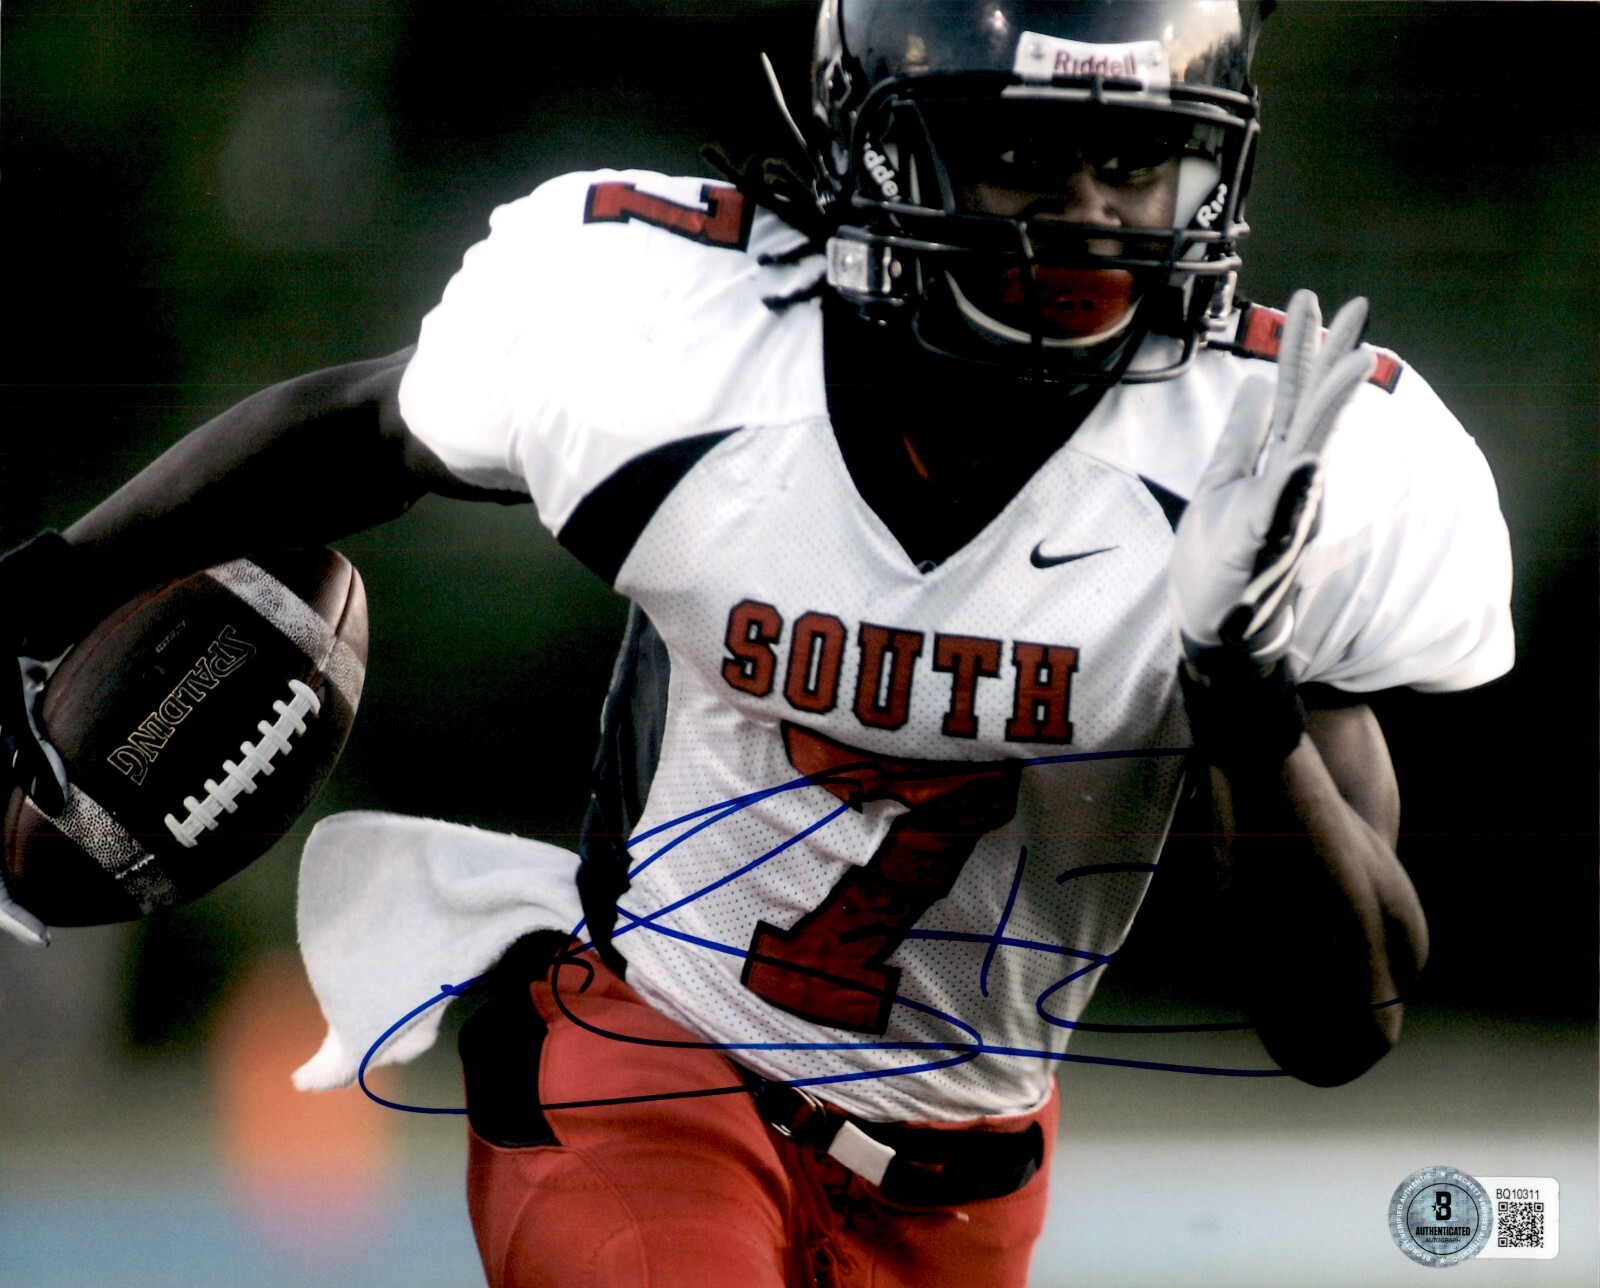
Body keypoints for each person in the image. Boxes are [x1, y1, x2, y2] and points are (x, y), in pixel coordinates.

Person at [0, 1, 1513, 1285]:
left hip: (965, 1179)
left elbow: (1340, 1027)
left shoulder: (1276, 470)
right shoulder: (681, 342)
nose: (1089, 216)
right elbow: (364, 430)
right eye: (1016, 155)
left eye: (1134, 160)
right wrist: (46, 588)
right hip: (650, 1054)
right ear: (869, 148)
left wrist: (1240, 697)